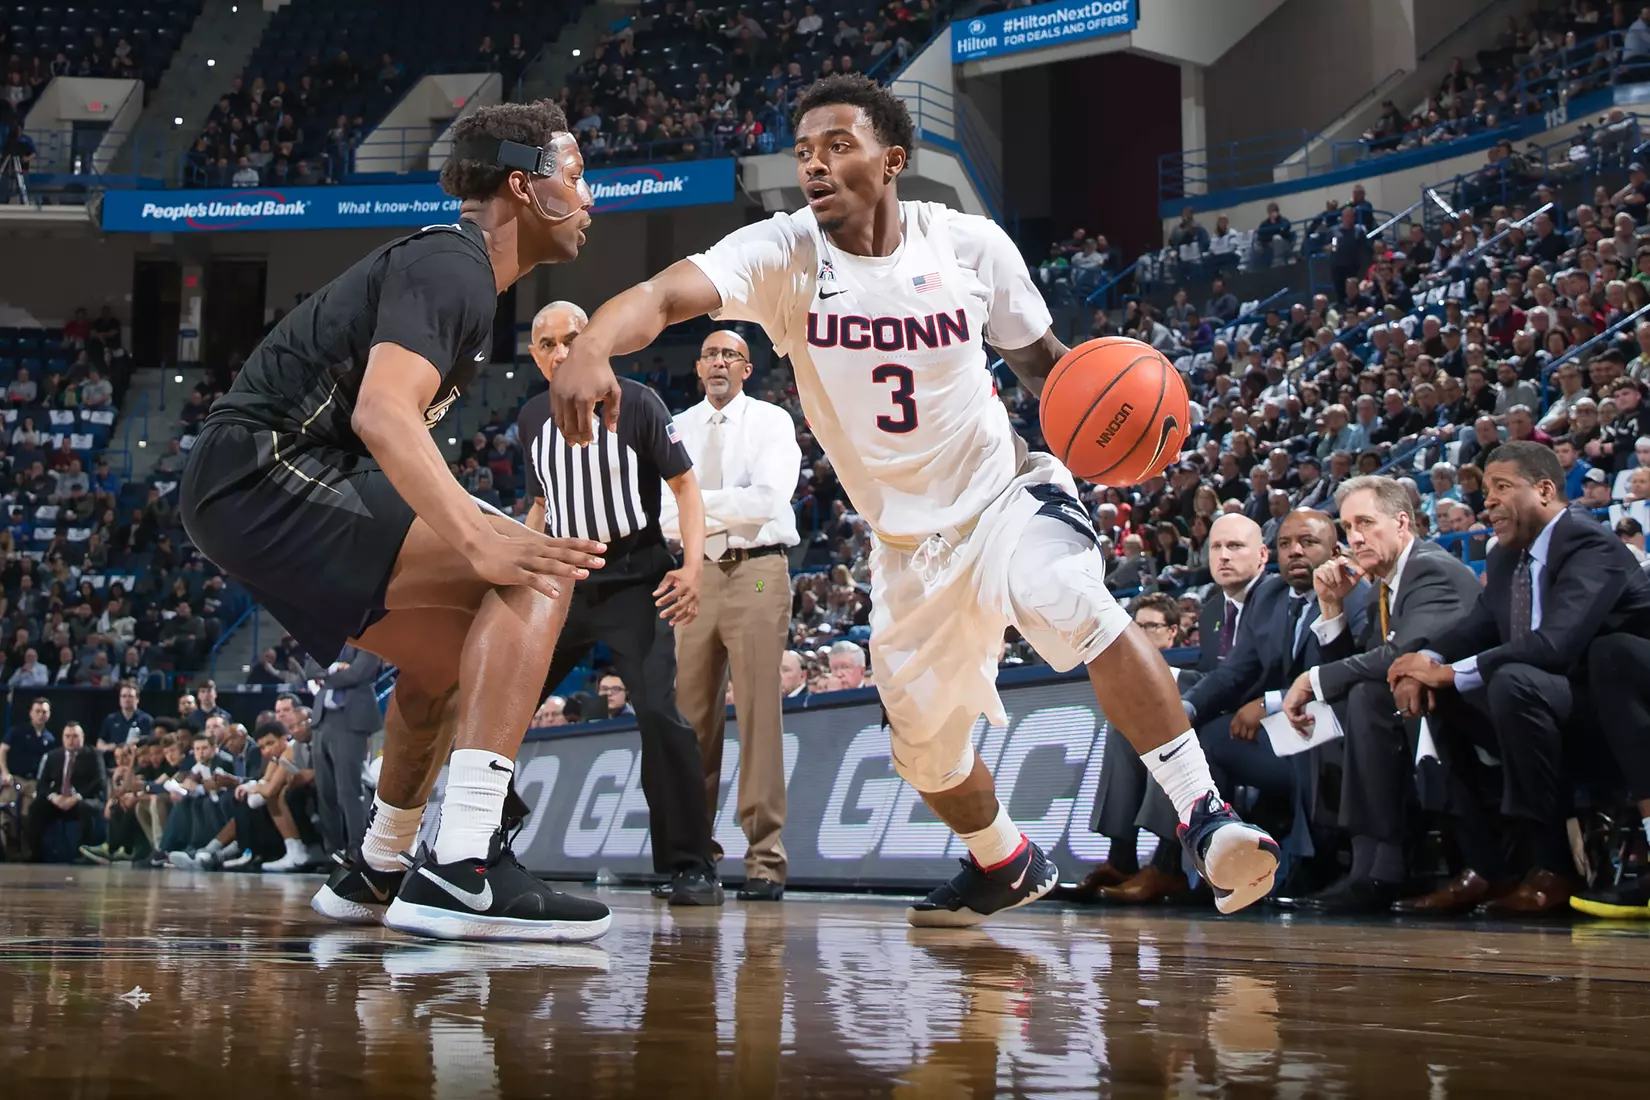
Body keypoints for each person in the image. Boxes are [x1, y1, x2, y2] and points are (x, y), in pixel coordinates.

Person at [551, 75, 1280, 924]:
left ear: (892, 159)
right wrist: (595, 341)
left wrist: (1128, 426)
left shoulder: (969, 246)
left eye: (838, 147)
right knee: (927, 757)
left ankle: (1207, 817)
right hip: (904, 547)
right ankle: (1004, 860)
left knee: (1074, 600)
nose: (815, 167)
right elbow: (663, 294)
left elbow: (1048, 368)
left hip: (1004, 495)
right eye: (804, 153)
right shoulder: (783, 252)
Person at [177, 101, 613, 942]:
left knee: (455, 660)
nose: (590, 194)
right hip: (267, 469)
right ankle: (464, 865)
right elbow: (384, 415)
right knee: (538, 566)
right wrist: (483, 536)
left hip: (253, 479)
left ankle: (378, 866)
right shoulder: (453, 263)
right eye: (576, 173)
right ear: (525, 187)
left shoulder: (458, 275)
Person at [516, 300, 722, 905]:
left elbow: (685, 487)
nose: (560, 352)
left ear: (594, 342)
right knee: (501, 697)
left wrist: (691, 567)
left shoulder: (639, 403)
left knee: (660, 712)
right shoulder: (530, 418)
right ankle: (490, 830)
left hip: (638, 575)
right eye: (548, 343)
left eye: (571, 340)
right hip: (566, 577)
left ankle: (689, 863)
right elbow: (540, 503)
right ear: (534, 356)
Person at [1388, 443, 1650, 915]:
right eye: (1486, 490)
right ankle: (1486, 867)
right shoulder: (1508, 558)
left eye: (1502, 487)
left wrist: (1448, 672)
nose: (1486, 501)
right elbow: (1473, 629)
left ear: (1546, 490)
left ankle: (1551, 866)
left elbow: (1555, 645)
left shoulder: (1591, 544)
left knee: (1509, 681)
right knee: (1445, 698)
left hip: (1619, 713)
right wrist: (1419, 663)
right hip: (1547, 709)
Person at [1279, 477, 1482, 913]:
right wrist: (1332, 608)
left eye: (1366, 523)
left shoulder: (1431, 568)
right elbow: (1360, 670)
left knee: (1369, 698)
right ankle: (1364, 863)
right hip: (1414, 713)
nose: (1354, 537)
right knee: (1360, 701)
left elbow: (1397, 655)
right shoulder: (1383, 586)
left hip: (1475, 708)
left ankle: (1378, 867)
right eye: (1349, 526)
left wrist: (1312, 679)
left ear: (1402, 522)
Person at [660, 328, 802, 903]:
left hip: (760, 570)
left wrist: (692, 506)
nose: (719, 362)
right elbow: (659, 515)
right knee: (689, 721)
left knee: (760, 715)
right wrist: (712, 510)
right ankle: (695, 858)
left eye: (731, 355)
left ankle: (764, 860)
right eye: (711, 354)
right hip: (694, 575)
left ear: (747, 368)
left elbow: (768, 500)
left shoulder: (772, 422)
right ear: (698, 367)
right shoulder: (677, 426)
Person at [1077, 593, 1201, 902]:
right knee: (1120, 727)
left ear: (1173, 632)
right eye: (1136, 627)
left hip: (1197, 740)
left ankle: (1166, 866)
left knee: (1168, 724)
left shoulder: (1192, 678)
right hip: (1143, 735)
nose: (1140, 634)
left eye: (1150, 626)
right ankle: (1121, 859)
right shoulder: (1121, 681)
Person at [307, 645, 384, 856]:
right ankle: (331, 850)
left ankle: (356, 848)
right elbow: (310, 669)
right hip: (321, 721)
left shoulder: (369, 638)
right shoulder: (326, 637)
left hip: (351, 721)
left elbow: (360, 673)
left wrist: (327, 675)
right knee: (325, 791)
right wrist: (337, 670)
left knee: (349, 789)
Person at [28, 722, 105, 860]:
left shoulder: (93, 754)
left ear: (82, 737)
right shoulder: (53, 756)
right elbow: (42, 784)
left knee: (86, 808)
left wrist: (76, 797)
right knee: (36, 807)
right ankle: (35, 854)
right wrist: (53, 797)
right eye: (67, 736)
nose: (71, 740)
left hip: (82, 800)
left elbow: (99, 782)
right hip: (59, 800)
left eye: (75, 736)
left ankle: (81, 854)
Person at [96, 679, 153, 748]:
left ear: (137, 699)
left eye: (130, 696)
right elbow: (100, 743)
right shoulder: (110, 719)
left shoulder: (147, 720)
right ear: (119, 699)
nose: (127, 699)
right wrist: (110, 747)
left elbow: (151, 744)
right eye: (123, 696)